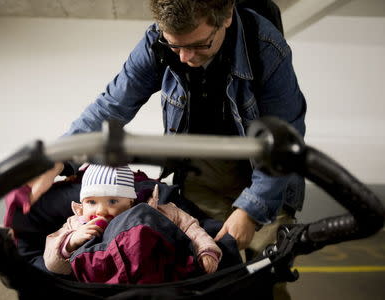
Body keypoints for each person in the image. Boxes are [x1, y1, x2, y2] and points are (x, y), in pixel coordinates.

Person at [29, 0, 306, 296]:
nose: (185, 57)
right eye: (175, 46)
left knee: (265, 279)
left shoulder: (266, 48)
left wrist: (251, 211)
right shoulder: (156, 43)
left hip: (266, 178)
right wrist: (56, 160)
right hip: (203, 176)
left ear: (226, 17)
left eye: (200, 44)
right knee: (204, 280)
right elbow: (111, 105)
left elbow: (285, 141)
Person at [43, 164, 222, 283]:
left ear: (130, 202)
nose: (100, 211)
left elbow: (191, 228)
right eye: (91, 202)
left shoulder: (160, 211)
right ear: (82, 205)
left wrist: (206, 250)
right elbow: (52, 264)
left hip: (158, 278)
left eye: (112, 201)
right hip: (101, 284)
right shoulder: (75, 224)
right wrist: (71, 242)